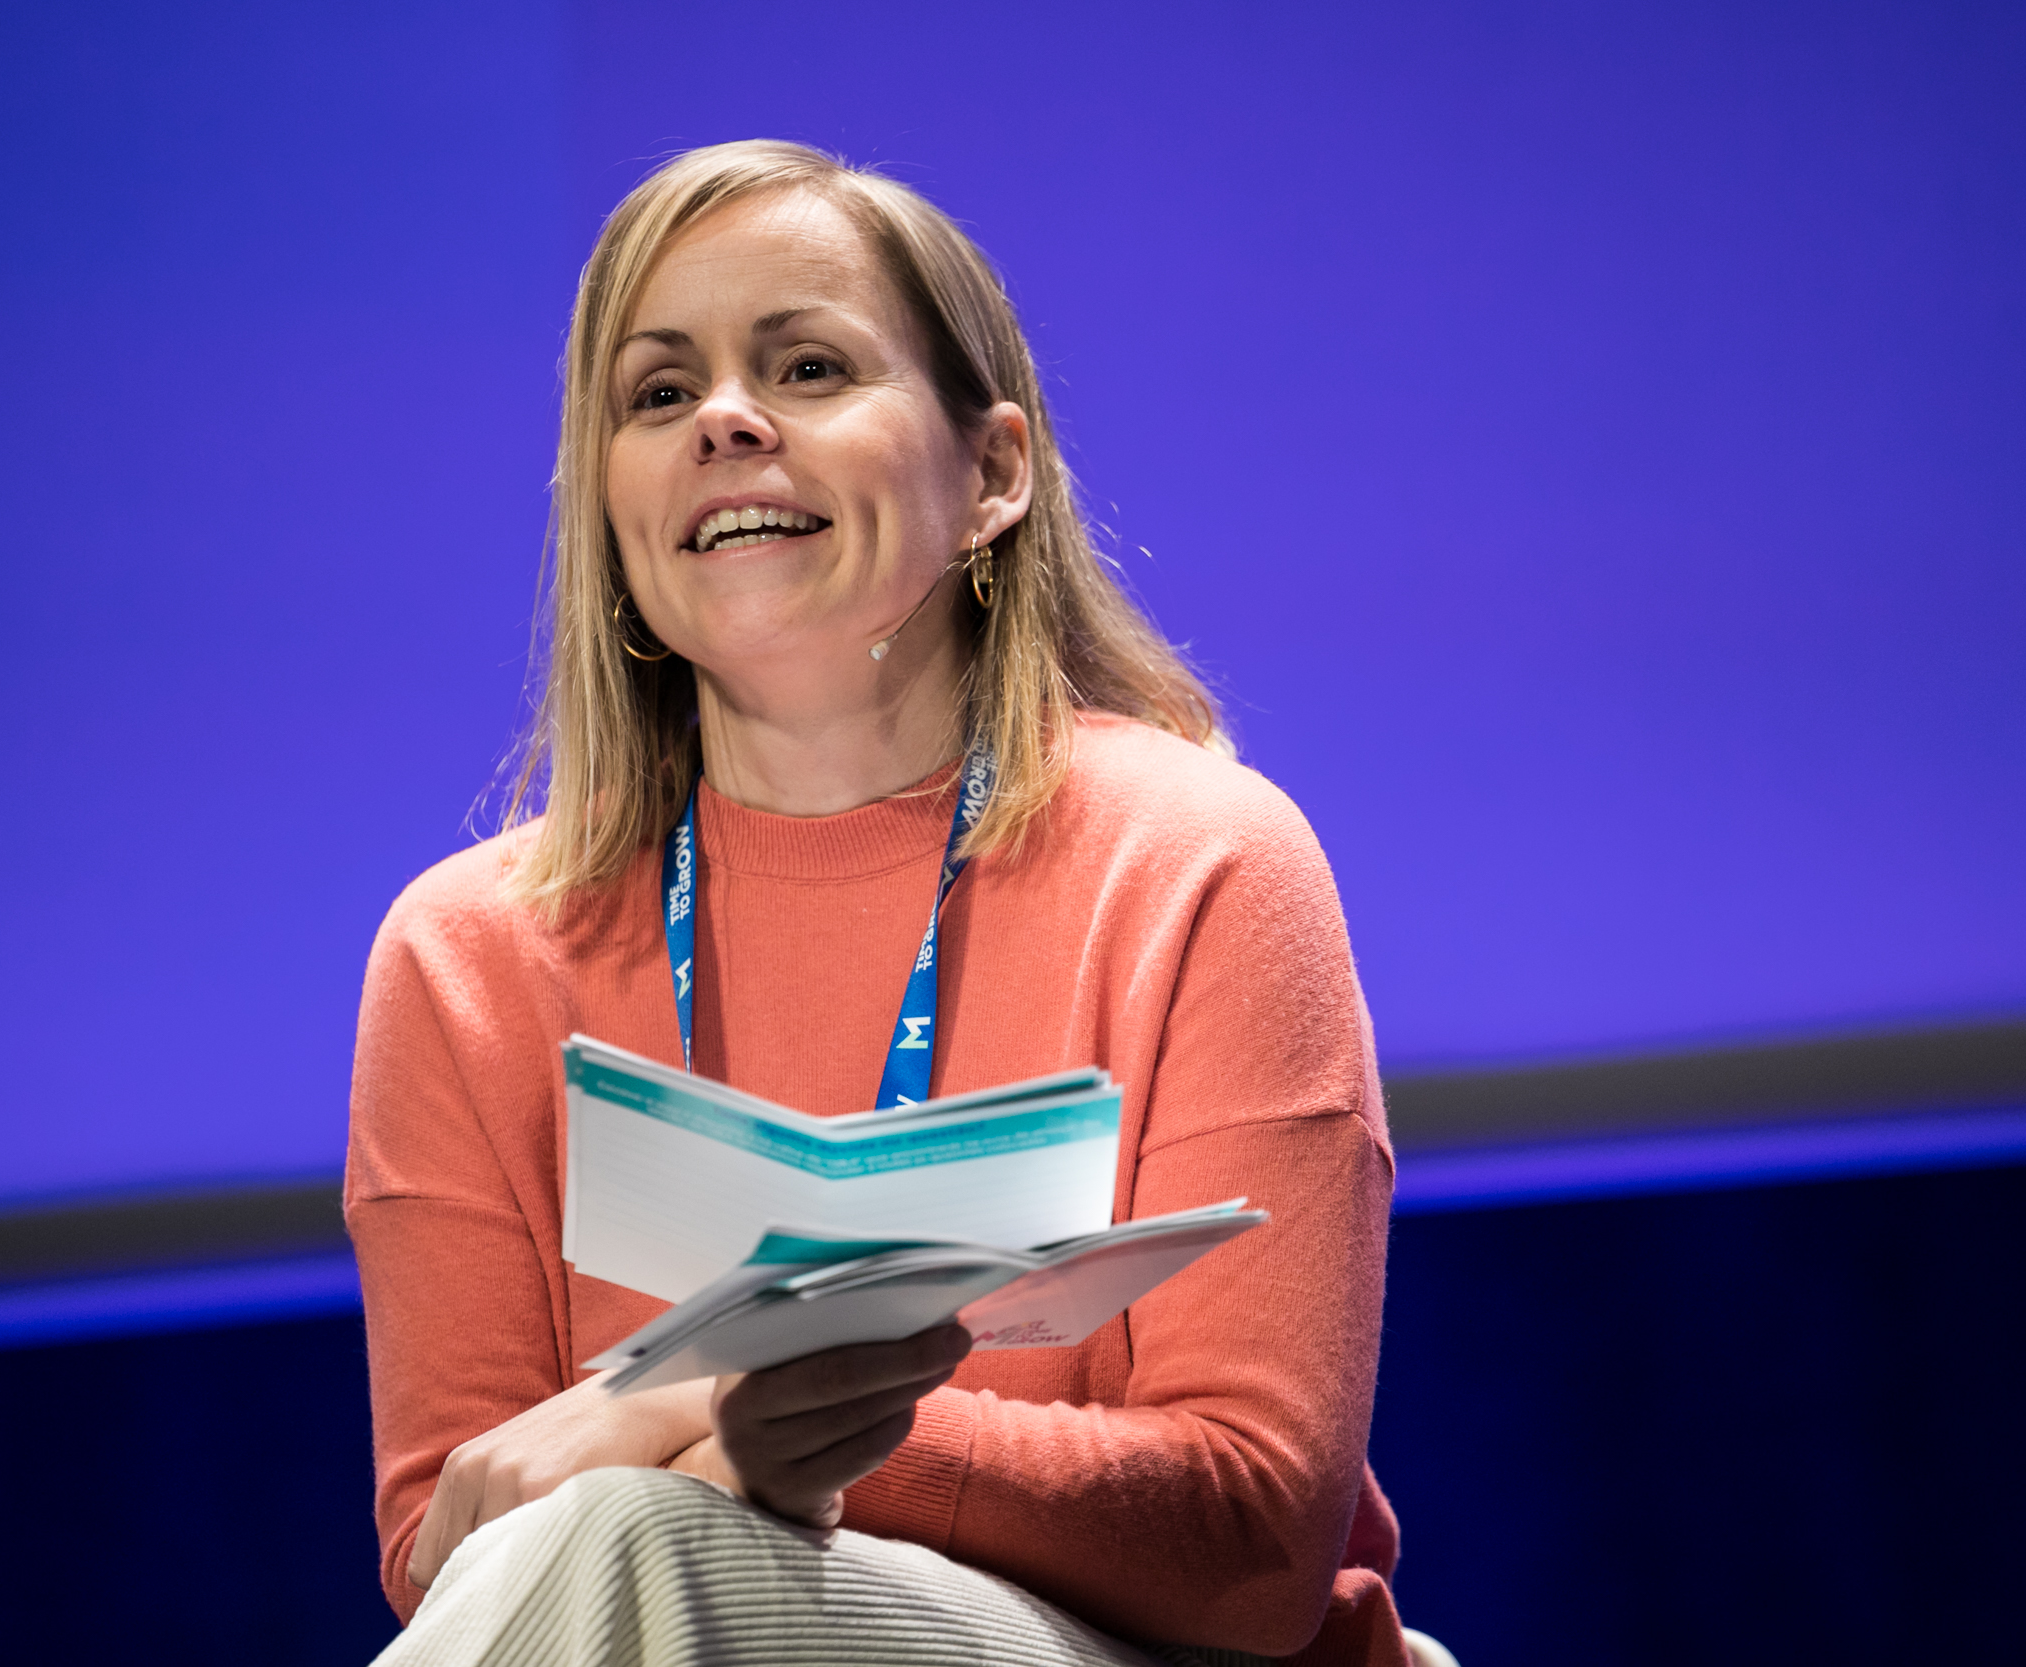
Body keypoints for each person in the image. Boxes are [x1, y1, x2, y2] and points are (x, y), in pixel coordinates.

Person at [346, 138, 1408, 1667]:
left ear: (992, 477)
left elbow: (1253, 1542)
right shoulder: (466, 958)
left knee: (626, 1532)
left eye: (809, 367)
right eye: (659, 393)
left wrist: (736, 1414)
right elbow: (456, 1549)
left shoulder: (1197, 859)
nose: (724, 419)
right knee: (607, 1545)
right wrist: (716, 1447)